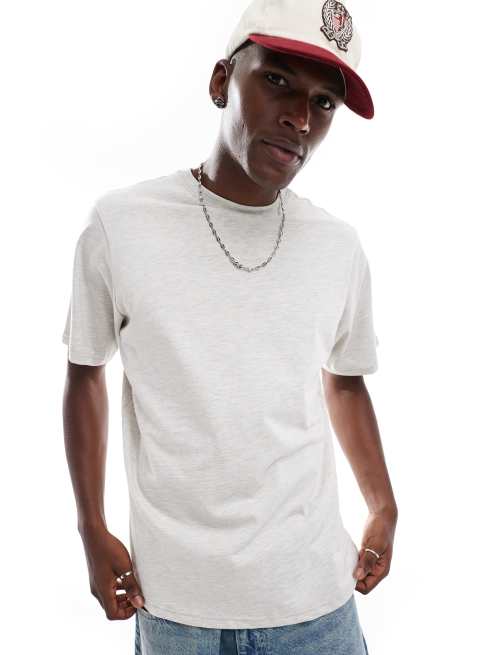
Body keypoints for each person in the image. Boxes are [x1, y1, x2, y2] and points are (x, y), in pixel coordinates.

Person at [61, 0, 398, 653]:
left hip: (315, 602)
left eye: (323, 102)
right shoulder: (121, 226)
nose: (300, 118)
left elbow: (346, 380)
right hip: (176, 605)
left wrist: (383, 505)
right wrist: (90, 526)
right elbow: (85, 373)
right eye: (276, 80)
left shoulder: (337, 247)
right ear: (221, 81)